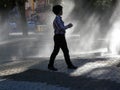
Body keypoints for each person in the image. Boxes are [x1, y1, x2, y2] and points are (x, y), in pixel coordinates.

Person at [48, 5, 77, 71]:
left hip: (59, 37)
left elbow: (61, 28)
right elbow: (61, 28)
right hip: (59, 37)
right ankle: (69, 65)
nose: (62, 11)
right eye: (61, 10)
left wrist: (66, 27)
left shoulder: (58, 19)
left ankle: (50, 65)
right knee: (64, 51)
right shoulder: (57, 19)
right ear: (59, 11)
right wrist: (68, 26)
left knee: (57, 51)